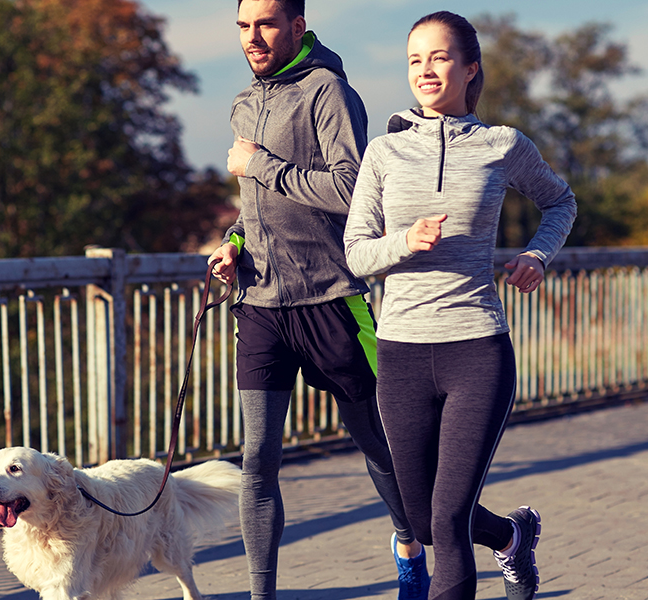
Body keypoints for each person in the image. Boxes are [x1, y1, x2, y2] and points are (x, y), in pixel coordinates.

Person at [343, 10, 578, 600]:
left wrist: (538, 256)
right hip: (399, 352)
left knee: (447, 520)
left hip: (475, 346)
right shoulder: (384, 153)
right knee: (422, 520)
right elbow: (355, 254)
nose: (425, 69)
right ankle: (511, 535)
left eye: (439, 56)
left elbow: (561, 202)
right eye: (414, 59)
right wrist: (407, 241)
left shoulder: (503, 145)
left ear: (470, 69)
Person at [210, 1, 429, 598]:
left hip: (332, 299)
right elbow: (254, 205)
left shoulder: (328, 91)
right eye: (243, 26)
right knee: (258, 459)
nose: (251, 37)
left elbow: (352, 188)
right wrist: (233, 241)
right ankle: (262, 594)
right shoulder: (244, 102)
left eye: (265, 24)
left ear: (298, 27)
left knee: (378, 444)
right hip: (260, 304)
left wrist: (261, 164)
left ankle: (409, 541)